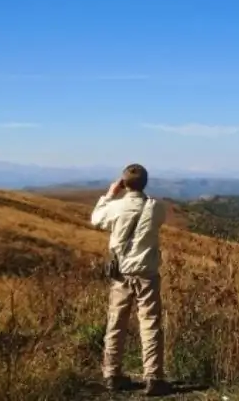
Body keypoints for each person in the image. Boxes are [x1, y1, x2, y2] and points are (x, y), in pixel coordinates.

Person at [90, 163, 168, 395]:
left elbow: (96, 219)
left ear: (123, 183)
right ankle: (153, 377)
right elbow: (157, 217)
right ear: (145, 183)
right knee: (150, 323)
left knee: (116, 323)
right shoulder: (156, 208)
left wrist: (110, 194)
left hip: (121, 274)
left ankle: (112, 374)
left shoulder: (115, 207)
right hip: (147, 274)